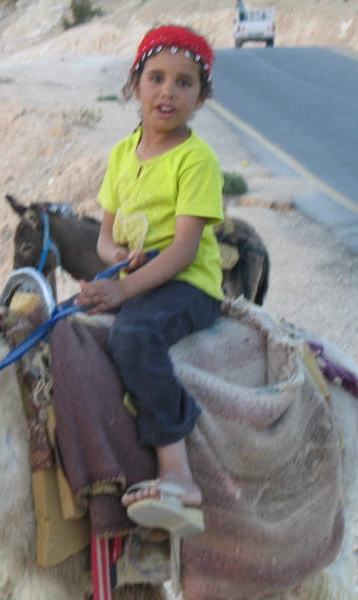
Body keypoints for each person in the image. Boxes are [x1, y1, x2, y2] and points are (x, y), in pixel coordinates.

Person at [75, 25, 223, 537]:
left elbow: (184, 252)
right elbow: (104, 237)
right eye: (156, 78)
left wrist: (121, 290)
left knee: (134, 336)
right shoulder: (122, 153)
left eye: (185, 83)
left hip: (187, 284)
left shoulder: (196, 160)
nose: (168, 91)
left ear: (200, 98)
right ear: (134, 84)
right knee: (67, 331)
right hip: (138, 273)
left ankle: (178, 473)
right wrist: (114, 258)